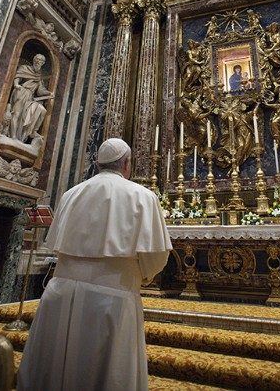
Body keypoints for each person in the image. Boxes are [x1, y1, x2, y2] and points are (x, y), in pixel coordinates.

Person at [16, 138, 172, 391]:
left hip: (60, 292)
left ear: (99, 164)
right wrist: (143, 275)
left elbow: (54, 243)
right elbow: (155, 255)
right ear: (126, 164)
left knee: (54, 364)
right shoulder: (143, 196)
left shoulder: (70, 194)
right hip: (113, 297)